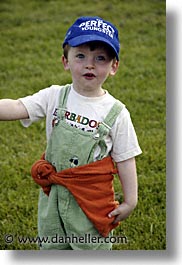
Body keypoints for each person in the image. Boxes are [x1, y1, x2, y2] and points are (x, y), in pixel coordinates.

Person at [0, 16, 142, 250]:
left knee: (90, 248)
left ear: (113, 66)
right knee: (52, 244)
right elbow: (17, 106)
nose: (90, 64)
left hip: (91, 199)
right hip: (53, 195)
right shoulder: (54, 96)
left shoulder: (117, 113)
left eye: (100, 58)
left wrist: (131, 201)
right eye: (80, 56)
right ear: (65, 61)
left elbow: (126, 158)